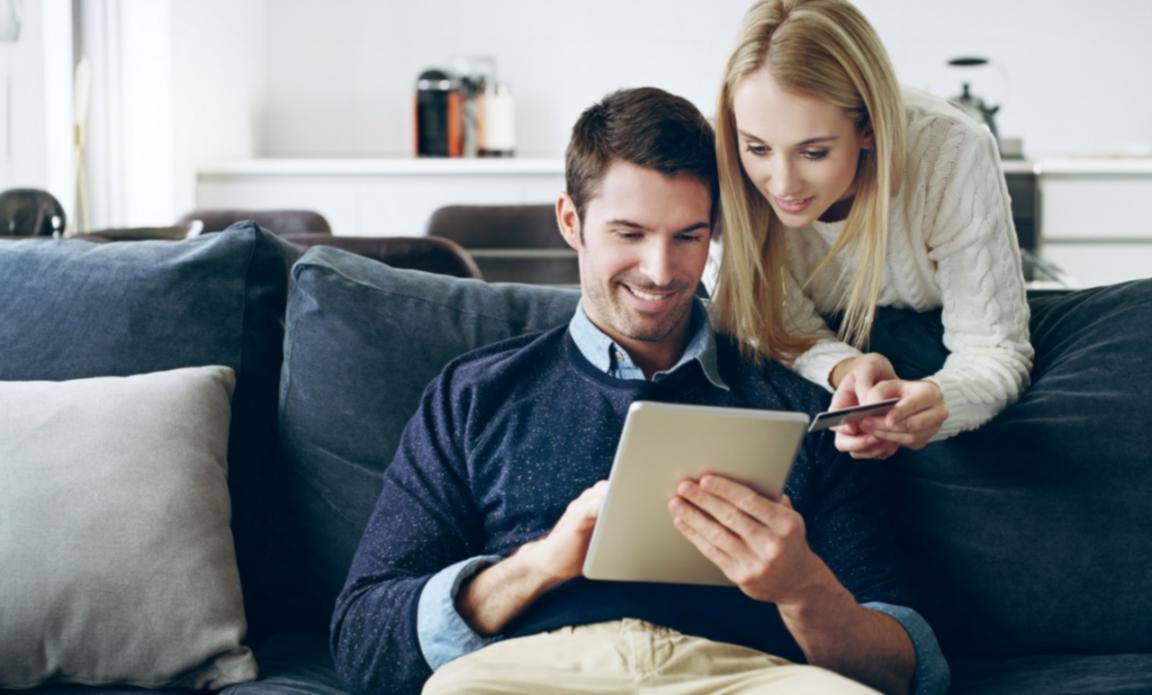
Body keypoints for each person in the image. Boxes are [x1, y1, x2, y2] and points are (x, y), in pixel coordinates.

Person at [331, 87, 948, 695]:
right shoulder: (474, 397)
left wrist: (801, 586)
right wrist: (539, 566)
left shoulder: (801, 403)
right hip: (537, 674)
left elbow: (907, 669)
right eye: (629, 234)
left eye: (687, 236)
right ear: (571, 221)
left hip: (744, 674)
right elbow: (362, 641)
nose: (660, 271)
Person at [710, 0, 1033, 459]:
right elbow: (771, 326)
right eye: (758, 148)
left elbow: (993, 348)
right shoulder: (720, 159)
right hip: (832, 351)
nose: (782, 184)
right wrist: (845, 368)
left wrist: (939, 402)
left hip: (937, 338)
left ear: (868, 130)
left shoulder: (951, 149)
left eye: (814, 152)